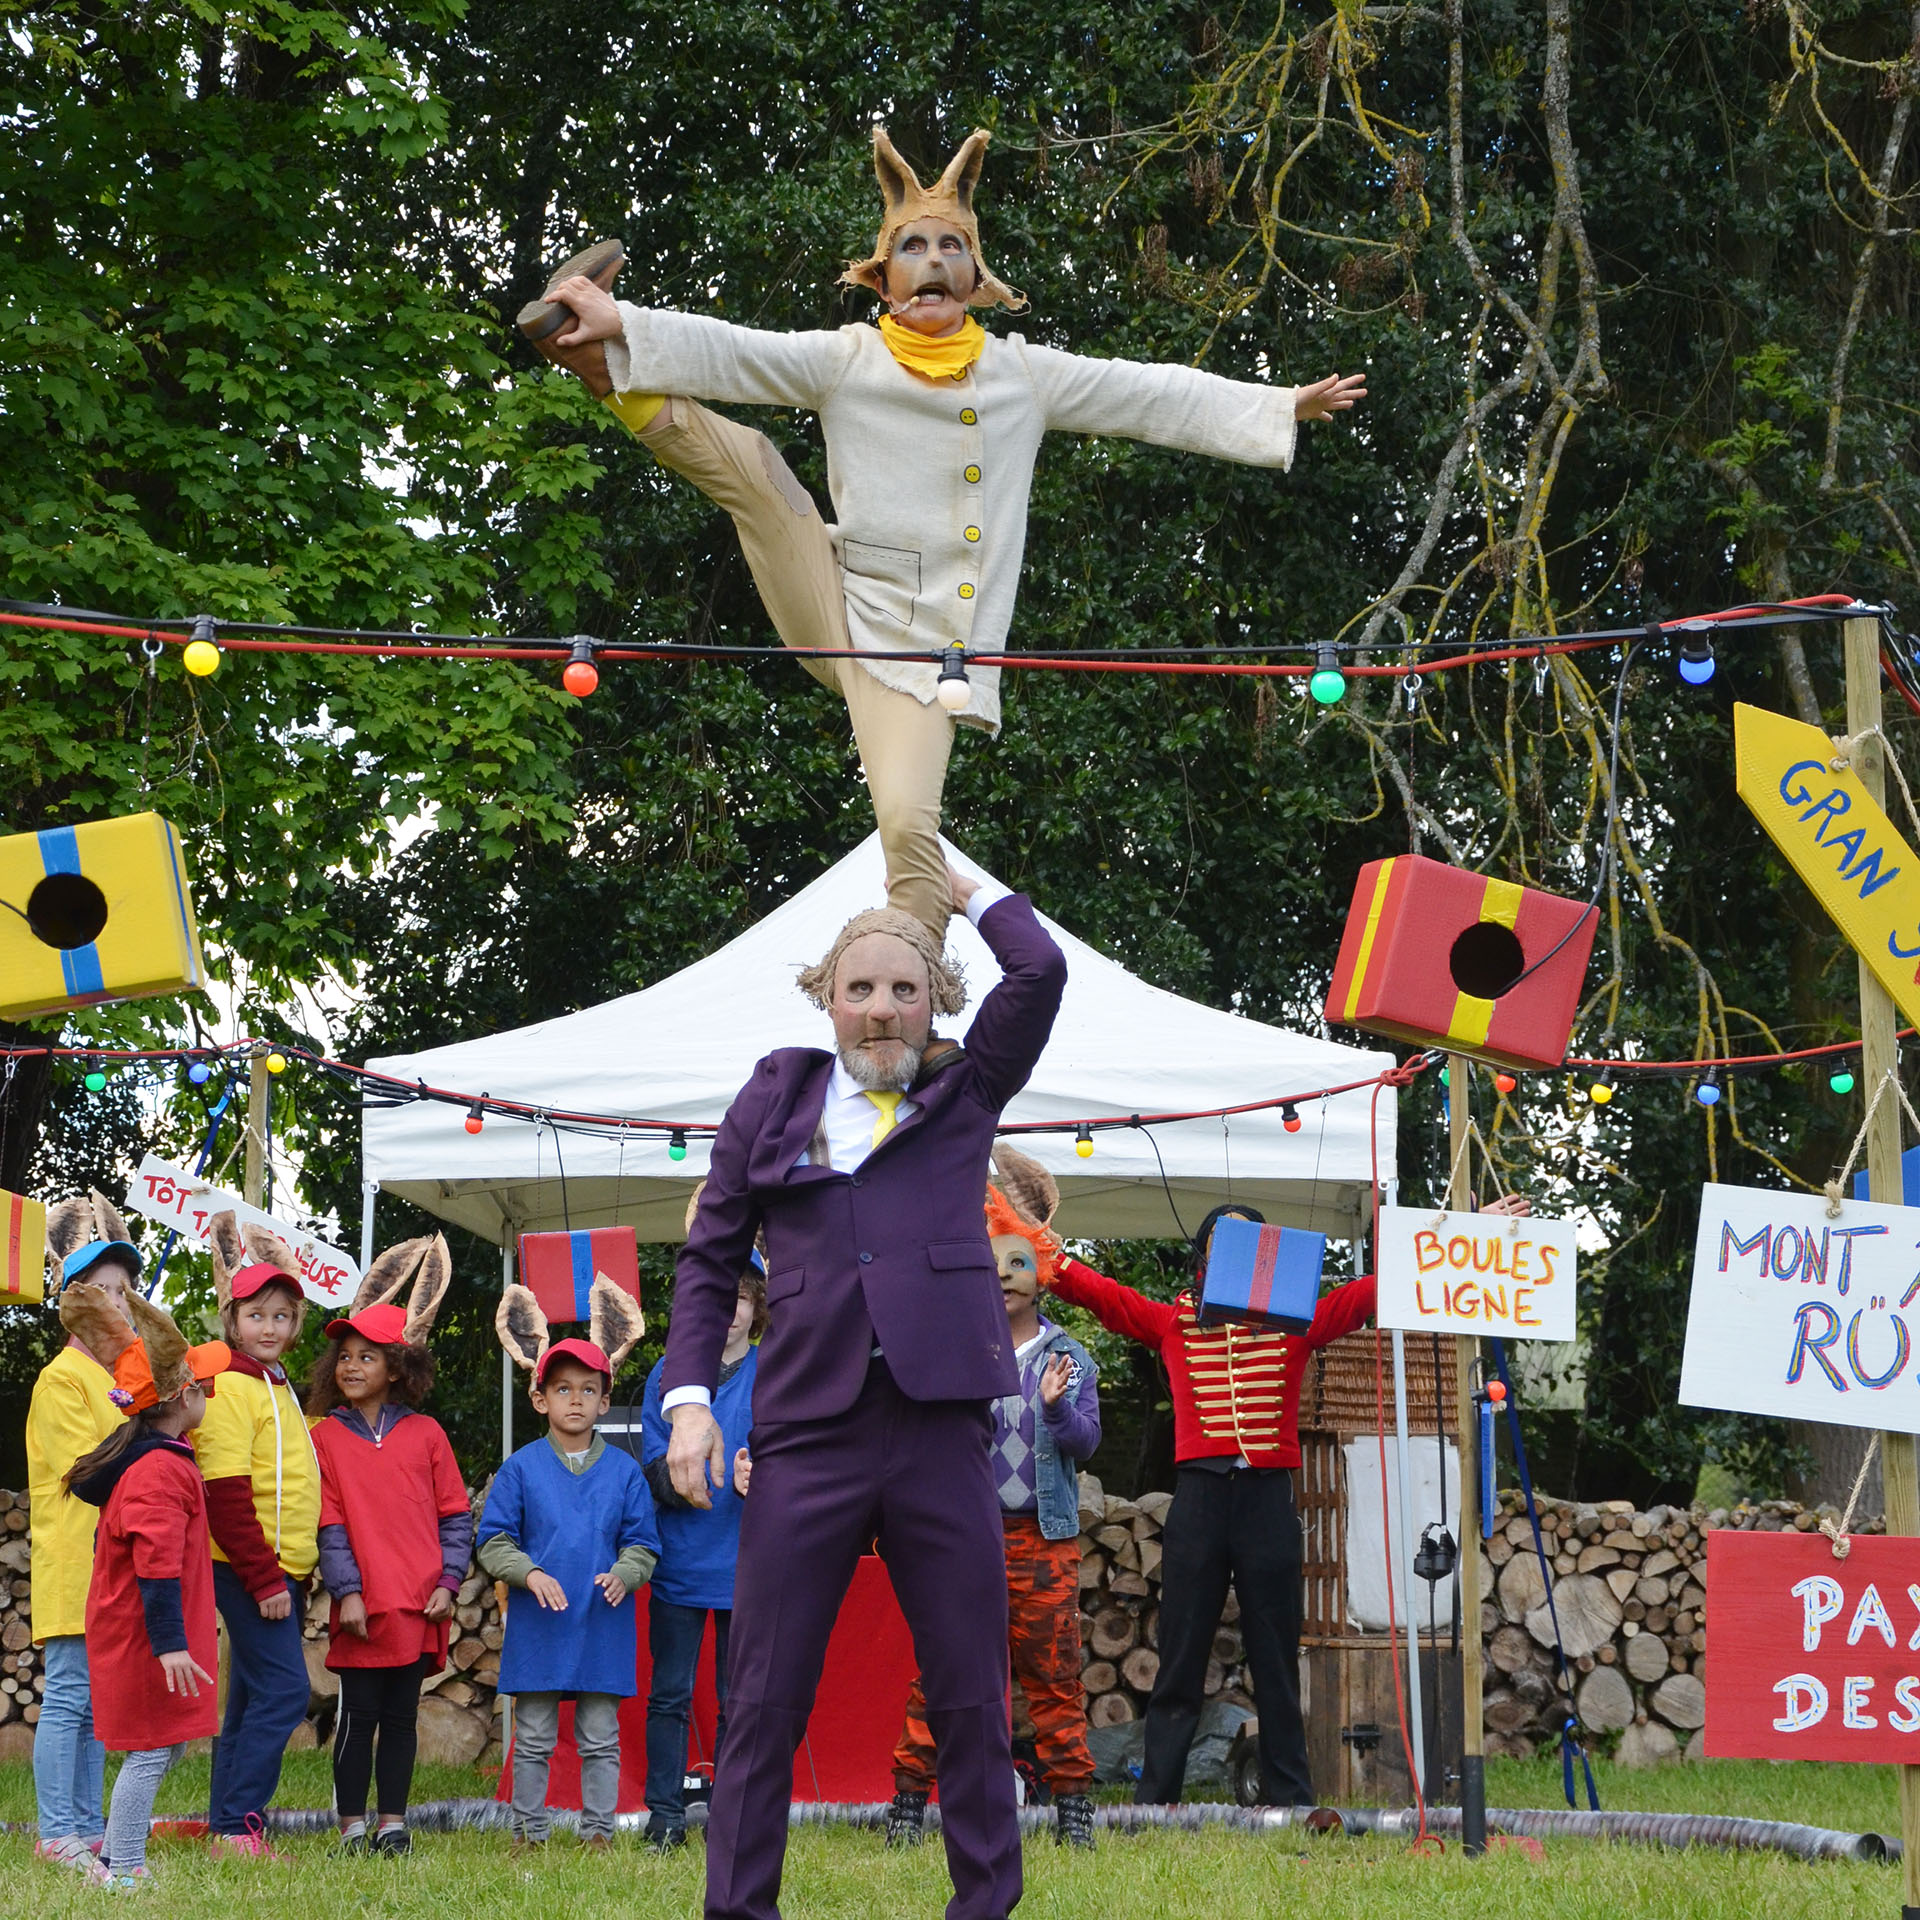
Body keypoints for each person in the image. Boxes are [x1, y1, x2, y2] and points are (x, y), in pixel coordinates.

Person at [518, 126, 1365, 936]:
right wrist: (627, 324)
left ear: (976, 276)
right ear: (884, 281)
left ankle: (913, 982)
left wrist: (1277, 405)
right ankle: (590, 351)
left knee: (906, 821)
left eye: (950, 248)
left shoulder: (1025, 378)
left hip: (924, 659)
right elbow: (738, 352)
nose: (932, 263)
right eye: (914, 250)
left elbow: (1150, 395)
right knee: (753, 472)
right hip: (839, 598)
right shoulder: (847, 359)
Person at [662, 861, 1067, 1920]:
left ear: (935, 1000)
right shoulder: (775, 1094)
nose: (881, 1008)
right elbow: (710, 1260)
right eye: (860, 988)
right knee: (761, 1696)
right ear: (825, 997)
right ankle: (739, 1910)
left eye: (903, 989)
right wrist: (691, 1400)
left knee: (975, 1694)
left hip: (941, 1430)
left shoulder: (967, 1089)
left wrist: (958, 880)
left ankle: (984, 1906)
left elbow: (1042, 965)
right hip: (806, 1432)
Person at [1044, 1204, 1375, 1806]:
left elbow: (1366, 1295)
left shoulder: (1294, 1321)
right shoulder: (1175, 1322)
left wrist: (1456, 1235)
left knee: (1274, 1654)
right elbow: (1103, 1296)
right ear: (1203, 1258)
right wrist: (1046, 1253)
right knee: (1181, 1650)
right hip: (1198, 1496)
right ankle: (1157, 1799)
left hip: (1267, 1497)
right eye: (1224, 1244)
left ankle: (1292, 1797)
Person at [887, 1145, 1101, 1851]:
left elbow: (1086, 1442)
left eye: (1018, 1261)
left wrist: (1057, 1410)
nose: (1006, 1276)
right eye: (992, 1261)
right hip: (967, 1539)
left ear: (1040, 1270)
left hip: (1043, 1540)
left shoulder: (1069, 1354)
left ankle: (1072, 1807)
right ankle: (908, 1804)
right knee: (941, 1671)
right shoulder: (953, 1348)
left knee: (1055, 1675)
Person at [63, 1279, 232, 1890]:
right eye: (205, 1386)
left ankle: (118, 1856)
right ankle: (121, 1865)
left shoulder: (161, 1458)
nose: (211, 1393)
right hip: (144, 1637)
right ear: (183, 1397)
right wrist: (169, 1644)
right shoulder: (159, 1469)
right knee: (152, 1750)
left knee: (164, 1745)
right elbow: (155, 1564)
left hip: (150, 1633)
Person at [306, 1235, 469, 1856]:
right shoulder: (325, 1438)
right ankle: (351, 1825)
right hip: (362, 1607)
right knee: (357, 1717)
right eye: (343, 1356)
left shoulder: (428, 1434)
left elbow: (455, 1516)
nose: (350, 1366)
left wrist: (448, 1583)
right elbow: (329, 1522)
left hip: (420, 1602)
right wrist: (347, 1592)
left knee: (402, 1719)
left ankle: (393, 1823)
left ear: (396, 1368)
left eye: (366, 1356)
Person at [483, 1279, 658, 1853]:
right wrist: (529, 1574)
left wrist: (625, 1573)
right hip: (540, 1621)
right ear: (541, 1399)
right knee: (532, 1736)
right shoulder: (521, 1469)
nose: (576, 1400)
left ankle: (598, 1835)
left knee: (600, 1738)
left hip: (601, 1618)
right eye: (563, 1389)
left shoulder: (626, 1474)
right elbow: (493, 1539)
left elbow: (644, 1543)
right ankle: (527, 1834)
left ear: (605, 1402)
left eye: (588, 1390)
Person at [626, 1207, 763, 1853]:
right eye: (719, 1294)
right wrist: (696, 1479)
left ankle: (735, 1819)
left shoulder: (783, 1368)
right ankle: (665, 1818)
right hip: (682, 1561)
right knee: (671, 1697)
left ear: (756, 1305)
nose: (729, 1308)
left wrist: (769, 1475)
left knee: (743, 1702)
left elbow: (808, 1457)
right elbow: (652, 1474)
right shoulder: (667, 1377)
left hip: (753, 1563)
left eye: (740, 1295)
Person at [194, 1214, 322, 1857]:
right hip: (252, 1568)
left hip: (284, 1567)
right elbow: (225, 1495)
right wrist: (265, 1577)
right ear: (232, 1321)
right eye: (256, 1316)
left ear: (295, 1327)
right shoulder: (228, 1388)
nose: (268, 1328)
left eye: (281, 1317)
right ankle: (241, 1821)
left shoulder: (277, 1385)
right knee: (285, 1690)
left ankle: (224, 1825)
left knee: (248, 1694)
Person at [26, 1191, 138, 1874]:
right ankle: (56, 1830)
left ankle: (91, 1826)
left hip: (112, 1564)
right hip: (75, 1559)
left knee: (100, 1702)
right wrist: (150, 1434)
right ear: (72, 1303)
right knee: (69, 1694)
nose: (117, 1302)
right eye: (101, 1290)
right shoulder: (60, 1380)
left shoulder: (118, 1381)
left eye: (125, 1290)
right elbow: (86, 1468)